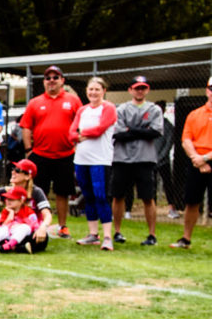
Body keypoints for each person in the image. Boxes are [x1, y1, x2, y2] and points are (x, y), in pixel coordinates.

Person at [20, 65, 82, 238]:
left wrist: (77, 144)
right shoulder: (35, 102)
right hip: (40, 155)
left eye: (56, 77)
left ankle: (62, 227)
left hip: (65, 155)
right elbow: (26, 127)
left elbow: (81, 124)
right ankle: (37, 225)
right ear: (44, 82)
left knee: (63, 192)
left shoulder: (73, 100)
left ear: (62, 80)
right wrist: (28, 151)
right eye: (48, 78)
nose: (52, 81)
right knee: (39, 192)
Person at [110, 76, 163, 246]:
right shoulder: (122, 109)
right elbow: (118, 133)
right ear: (130, 90)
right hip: (122, 159)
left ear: (147, 90)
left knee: (148, 197)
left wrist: (130, 129)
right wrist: (142, 129)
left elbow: (155, 132)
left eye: (143, 88)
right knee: (118, 196)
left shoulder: (154, 109)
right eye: (136, 88)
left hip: (144, 159)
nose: (140, 91)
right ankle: (117, 232)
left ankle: (152, 235)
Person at [69, 77, 117, 251]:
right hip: (82, 159)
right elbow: (71, 134)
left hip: (100, 160)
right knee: (88, 197)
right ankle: (93, 234)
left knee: (101, 196)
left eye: (97, 89)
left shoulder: (109, 108)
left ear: (104, 91)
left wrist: (81, 133)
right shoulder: (82, 110)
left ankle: (107, 236)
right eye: (91, 89)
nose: (93, 93)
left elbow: (99, 130)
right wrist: (79, 135)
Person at [173, 76, 212, 249]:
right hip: (196, 161)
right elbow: (186, 139)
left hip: (206, 159)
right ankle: (186, 239)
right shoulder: (194, 114)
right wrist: (197, 159)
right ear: (207, 90)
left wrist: (204, 159)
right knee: (191, 202)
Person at [0, 159, 52, 253]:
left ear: (28, 176)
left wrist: (43, 228)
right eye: (13, 168)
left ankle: (0, 244)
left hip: (28, 229)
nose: (13, 172)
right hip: (8, 227)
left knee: (42, 238)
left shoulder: (36, 192)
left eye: (18, 170)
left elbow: (47, 214)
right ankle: (18, 247)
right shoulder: (8, 190)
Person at [0, 186, 39, 252]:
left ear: (21, 200)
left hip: (20, 235)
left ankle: (10, 245)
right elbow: (3, 226)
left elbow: (33, 225)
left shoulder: (28, 211)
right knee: (3, 229)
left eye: (12, 199)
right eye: (7, 199)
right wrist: (11, 215)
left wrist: (19, 225)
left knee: (25, 228)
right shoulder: (6, 211)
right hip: (8, 233)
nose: (8, 201)